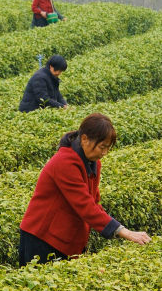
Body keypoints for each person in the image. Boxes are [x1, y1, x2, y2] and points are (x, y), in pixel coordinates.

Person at [18, 113, 152, 265]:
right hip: (43, 238)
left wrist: (116, 228)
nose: (104, 153)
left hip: (63, 237)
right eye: (102, 147)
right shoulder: (64, 162)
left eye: (107, 148)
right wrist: (123, 232)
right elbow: (85, 205)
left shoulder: (93, 162)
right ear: (84, 139)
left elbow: (93, 202)